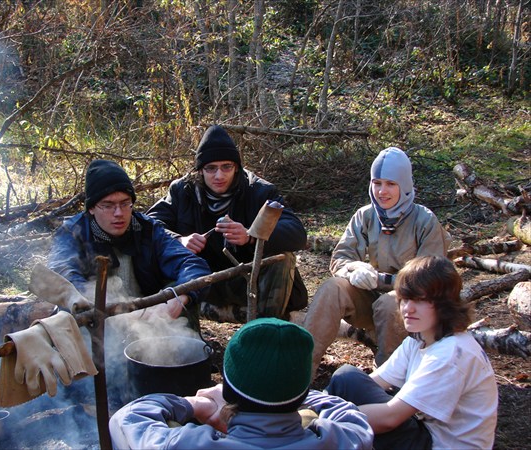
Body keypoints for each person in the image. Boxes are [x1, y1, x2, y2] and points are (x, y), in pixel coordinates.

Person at [109, 317, 374, 449]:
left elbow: (126, 419)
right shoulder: (347, 438)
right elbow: (342, 408)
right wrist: (298, 394)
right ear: (303, 389)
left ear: (228, 386)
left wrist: (192, 405)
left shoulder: (188, 443)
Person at [325, 255, 498, 450]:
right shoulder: (418, 340)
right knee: (346, 377)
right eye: (404, 299)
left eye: (420, 300)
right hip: (425, 432)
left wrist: (328, 419)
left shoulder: (451, 353)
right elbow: (371, 383)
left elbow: (390, 418)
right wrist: (318, 403)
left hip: (439, 444)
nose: (408, 309)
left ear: (445, 304)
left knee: (338, 418)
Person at [303, 147, 449, 372]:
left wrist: (382, 280)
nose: (382, 191)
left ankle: (389, 379)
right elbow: (341, 258)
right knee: (333, 288)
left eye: (391, 184)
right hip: (370, 303)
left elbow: (430, 278)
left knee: (389, 304)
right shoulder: (365, 216)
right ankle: (301, 371)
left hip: (414, 307)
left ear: (405, 186)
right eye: (377, 183)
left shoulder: (425, 220)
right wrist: (354, 268)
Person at [147, 125, 308, 322]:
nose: (219, 176)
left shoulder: (258, 191)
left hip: (249, 281)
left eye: (226, 167)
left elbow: (297, 233)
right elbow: (149, 225)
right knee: (157, 252)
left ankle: (264, 333)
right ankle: (167, 331)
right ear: (200, 170)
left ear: (237, 167)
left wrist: (251, 235)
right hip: (200, 279)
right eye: (211, 168)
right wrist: (179, 240)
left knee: (283, 258)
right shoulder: (182, 191)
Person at [47, 159, 212, 325]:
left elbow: (191, 264)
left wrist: (178, 298)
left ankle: (183, 347)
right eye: (108, 205)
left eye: (125, 203)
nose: (119, 213)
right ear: (91, 208)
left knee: (182, 291)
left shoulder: (148, 229)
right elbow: (61, 273)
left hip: (149, 318)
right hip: (96, 322)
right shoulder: (74, 232)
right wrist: (104, 306)